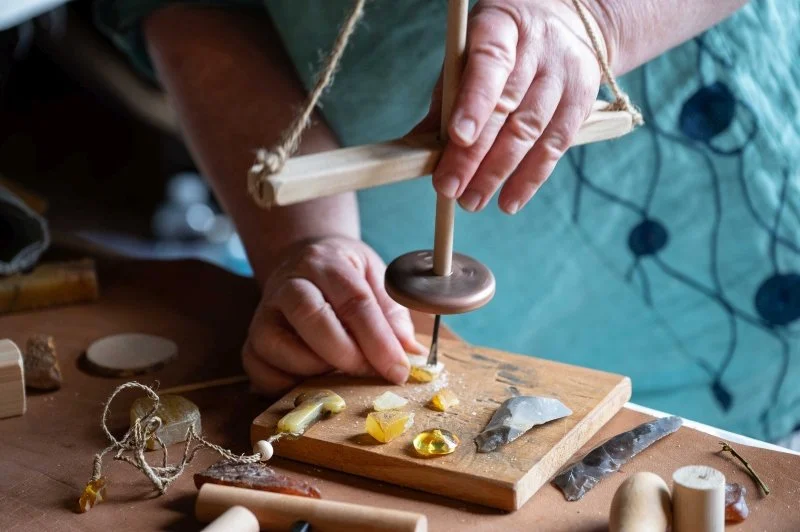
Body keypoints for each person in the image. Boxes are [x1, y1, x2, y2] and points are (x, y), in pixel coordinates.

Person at [93, 0, 800, 445]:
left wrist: (598, 19)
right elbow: (195, 12)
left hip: (752, 177)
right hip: (488, 318)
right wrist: (313, 241)